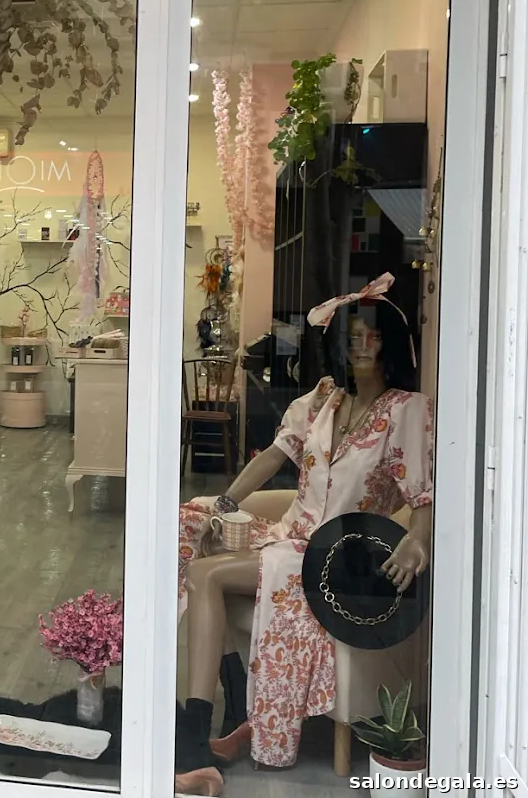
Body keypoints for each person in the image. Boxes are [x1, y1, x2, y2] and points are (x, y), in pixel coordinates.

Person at [174, 274, 434, 796]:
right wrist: (224, 503)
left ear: (389, 345)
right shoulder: (324, 399)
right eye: (352, 336)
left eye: (373, 336)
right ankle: (236, 711)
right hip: (290, 534)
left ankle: (196, 741)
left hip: (339, 557)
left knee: (206, 576)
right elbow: (275, 456)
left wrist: (418, 540)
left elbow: (423, 494)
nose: (361, 346)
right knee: (190, 522)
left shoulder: (406, 410)